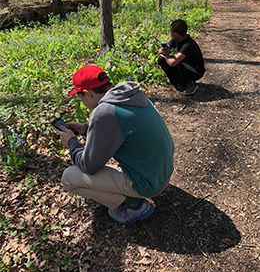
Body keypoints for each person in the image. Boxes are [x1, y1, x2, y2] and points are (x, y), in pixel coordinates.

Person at [57, 65, 174, 225]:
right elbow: (122, 125)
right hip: (162, 173)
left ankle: (135, 206)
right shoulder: (129, 95)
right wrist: (86, 128)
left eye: (80, 96)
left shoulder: (104, 112)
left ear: (87, 93)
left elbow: (88, 166)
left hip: (148, 184)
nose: (82, 100)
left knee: (69, 177)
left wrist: (71, 141)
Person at [158, 19, 205, 95]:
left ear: (176, 34)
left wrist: (165, 56)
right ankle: (175, 81)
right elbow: (160, 51)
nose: (170, 33)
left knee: (177, 62)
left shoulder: (188, 44)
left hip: (196, 71)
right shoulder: (176, 39)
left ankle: (190, 84)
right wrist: (162, 51)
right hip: (186, 65)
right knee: (161, 60)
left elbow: (173, 63)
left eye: (171, 31)